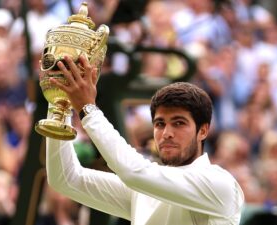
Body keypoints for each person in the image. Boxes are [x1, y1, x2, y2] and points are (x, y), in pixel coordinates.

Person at [45, 55, 244, 225]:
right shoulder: (145, 189)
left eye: (179, 123)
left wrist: (88, 109)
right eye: (159, 124)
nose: (166, 133)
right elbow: (66, 179)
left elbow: (134, 173)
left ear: (203, 131)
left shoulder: (219, 183)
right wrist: (59, 104)